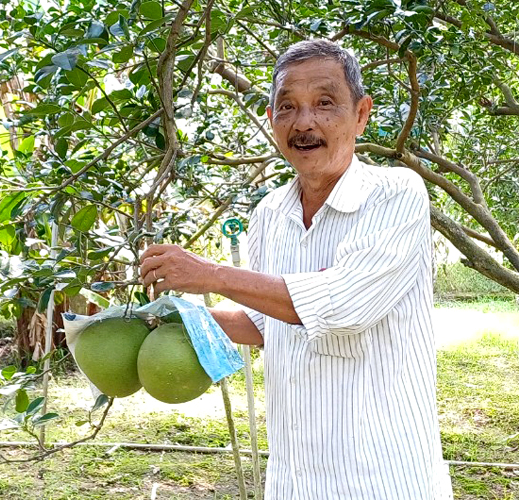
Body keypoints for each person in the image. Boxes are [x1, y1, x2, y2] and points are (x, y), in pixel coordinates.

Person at [139, 39, 453, 500]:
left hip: (383, 473)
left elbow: (343, 306)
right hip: (295, 474)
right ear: (272, 122)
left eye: (325, 103)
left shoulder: (394, 194)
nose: (304, 122)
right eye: (287, 107)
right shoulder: (270, 212)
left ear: (361, 114)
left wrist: (210, 274)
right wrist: (175, 318)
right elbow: (264, 323)